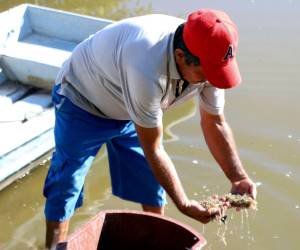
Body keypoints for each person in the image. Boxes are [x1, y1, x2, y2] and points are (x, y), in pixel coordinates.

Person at [43, 9, 257, 248]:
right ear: (180, 56)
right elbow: (154, 149)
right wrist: (184, 204)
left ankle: (155, 241)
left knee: (151, 184)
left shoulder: (209, 62)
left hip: (131, 108)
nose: (212, 82)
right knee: (67, 182)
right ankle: (54, 246)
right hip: (82, 101)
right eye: (205, 75)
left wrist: (238, 177)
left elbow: (214, 122)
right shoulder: (145, 63)